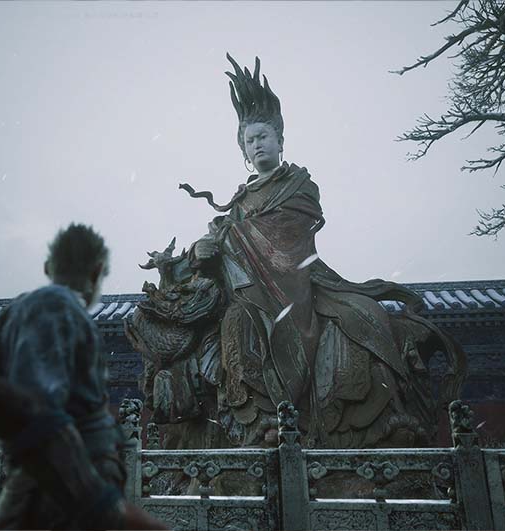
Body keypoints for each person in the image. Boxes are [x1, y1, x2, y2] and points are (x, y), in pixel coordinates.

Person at [180, 55, 466, 448]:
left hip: (295, 281)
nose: (257, 143)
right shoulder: (241, 201)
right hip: (251, 289)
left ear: (280, 140)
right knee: (236, 322)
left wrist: (231, 238)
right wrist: (204, 247)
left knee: (362, 318)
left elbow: (288, 233)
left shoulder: (299, 186)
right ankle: (259, 417)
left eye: (264, 135)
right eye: (249, 140)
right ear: (243, 152)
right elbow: (221, 234)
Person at [0, 223, 164, 530]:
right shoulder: (55, 308)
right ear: (96, 272)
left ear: (48, 266)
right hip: (64, 495)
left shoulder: (15, 317)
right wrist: (104, 504)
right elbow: (41, 417)